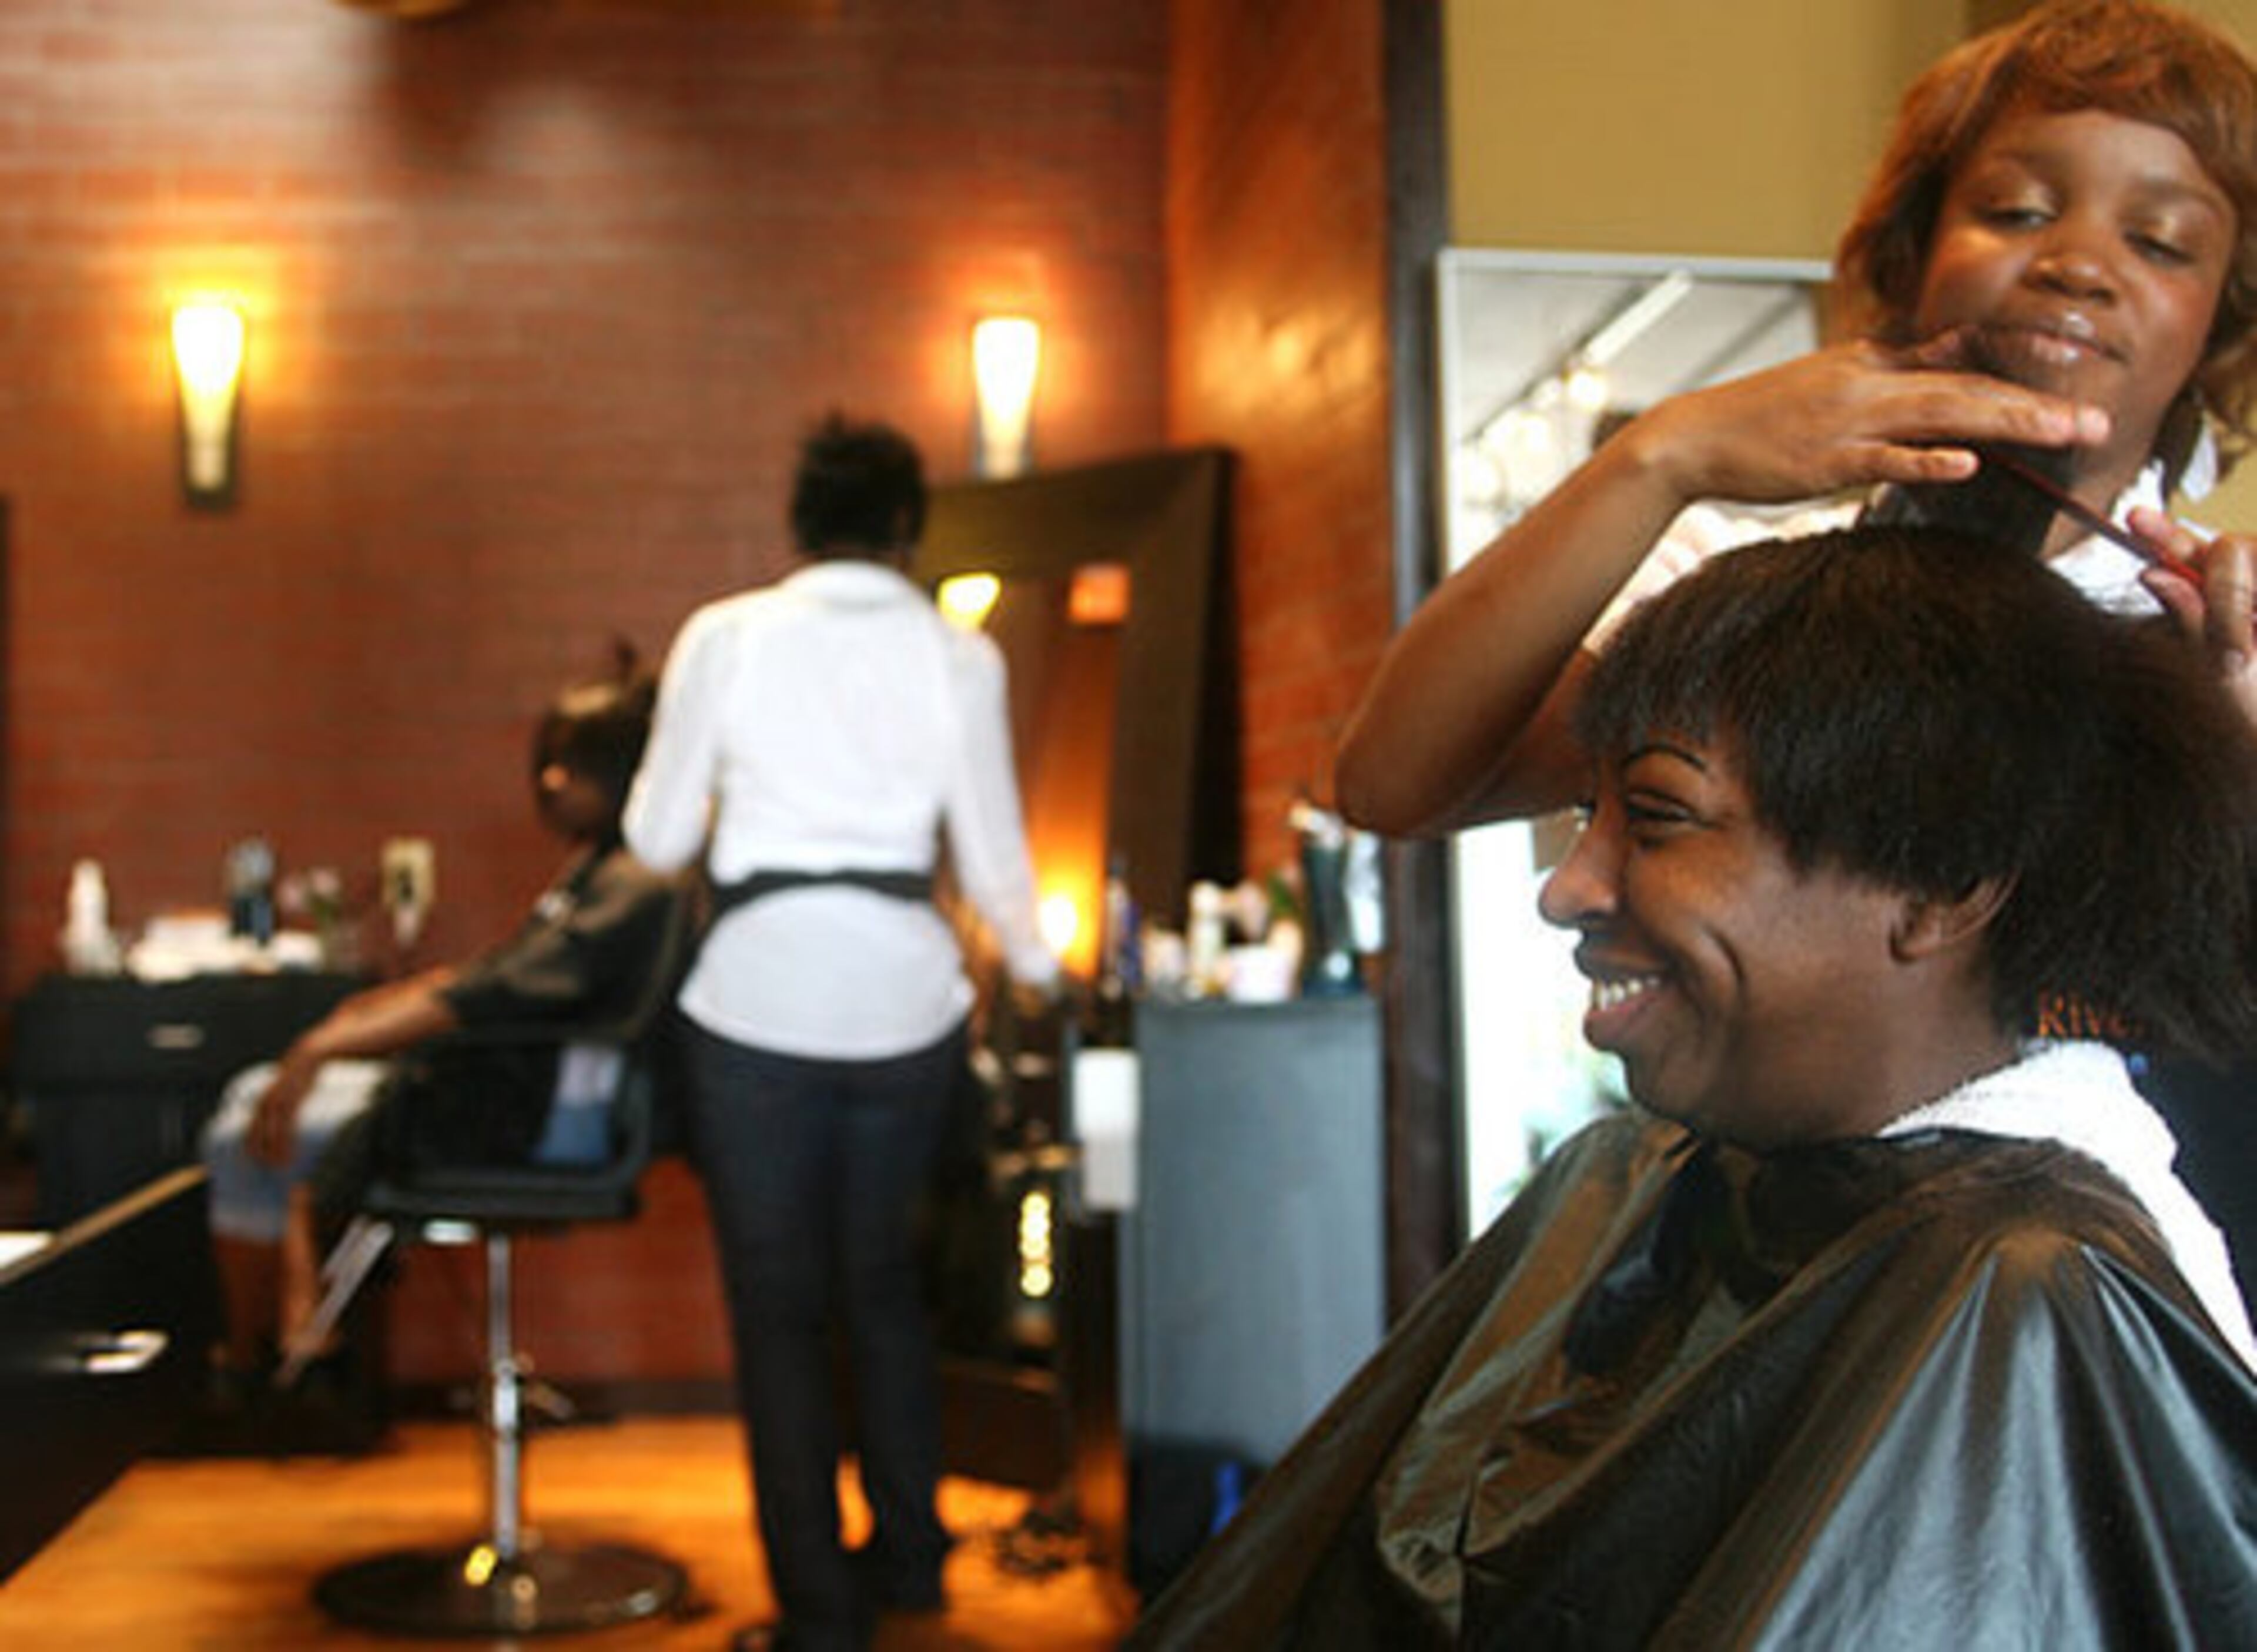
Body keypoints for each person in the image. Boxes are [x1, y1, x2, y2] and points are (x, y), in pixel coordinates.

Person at [1129, 524, 2257, 1650]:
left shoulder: (2039, 1300)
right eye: (1588, 814)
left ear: (1938, 886)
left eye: (1658, 817)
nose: (1567, 889)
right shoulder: (1632, 1175)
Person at [1336, 0, 2257, 1306]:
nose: (2079, 265)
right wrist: (1665, 458)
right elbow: (1393, 780)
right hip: (1769, 1278)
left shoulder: (2206, 649)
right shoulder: (1753, 587)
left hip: (2077, 1302)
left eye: (2159, 241)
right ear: (1915, 248)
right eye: (2015, 211)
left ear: (2220, 322)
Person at [622, 413, 1059, 1652]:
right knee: (882, 1286)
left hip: (753, 1003)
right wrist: (1044, 976)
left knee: (777, 1308)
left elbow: (655, 842)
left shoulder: (727, 634)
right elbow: (994, 858)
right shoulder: (958, 655)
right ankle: (914, 1566)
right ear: (909, 527)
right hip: (905, 1004)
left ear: (799, 526)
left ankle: (818, 1612)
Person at [199, 656, 681, 1390]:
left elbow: (493, 996)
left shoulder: (637, 887)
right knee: (249, 1095)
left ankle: (256, 1360)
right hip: (516, 1094)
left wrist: (323, 1046)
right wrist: (343, 1027)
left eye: (573, 766)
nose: (550, 782)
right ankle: (277, 1341)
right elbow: (488, 975)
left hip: (543, 1119)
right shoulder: (600, 874)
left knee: (240, 1134)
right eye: (548, 763)